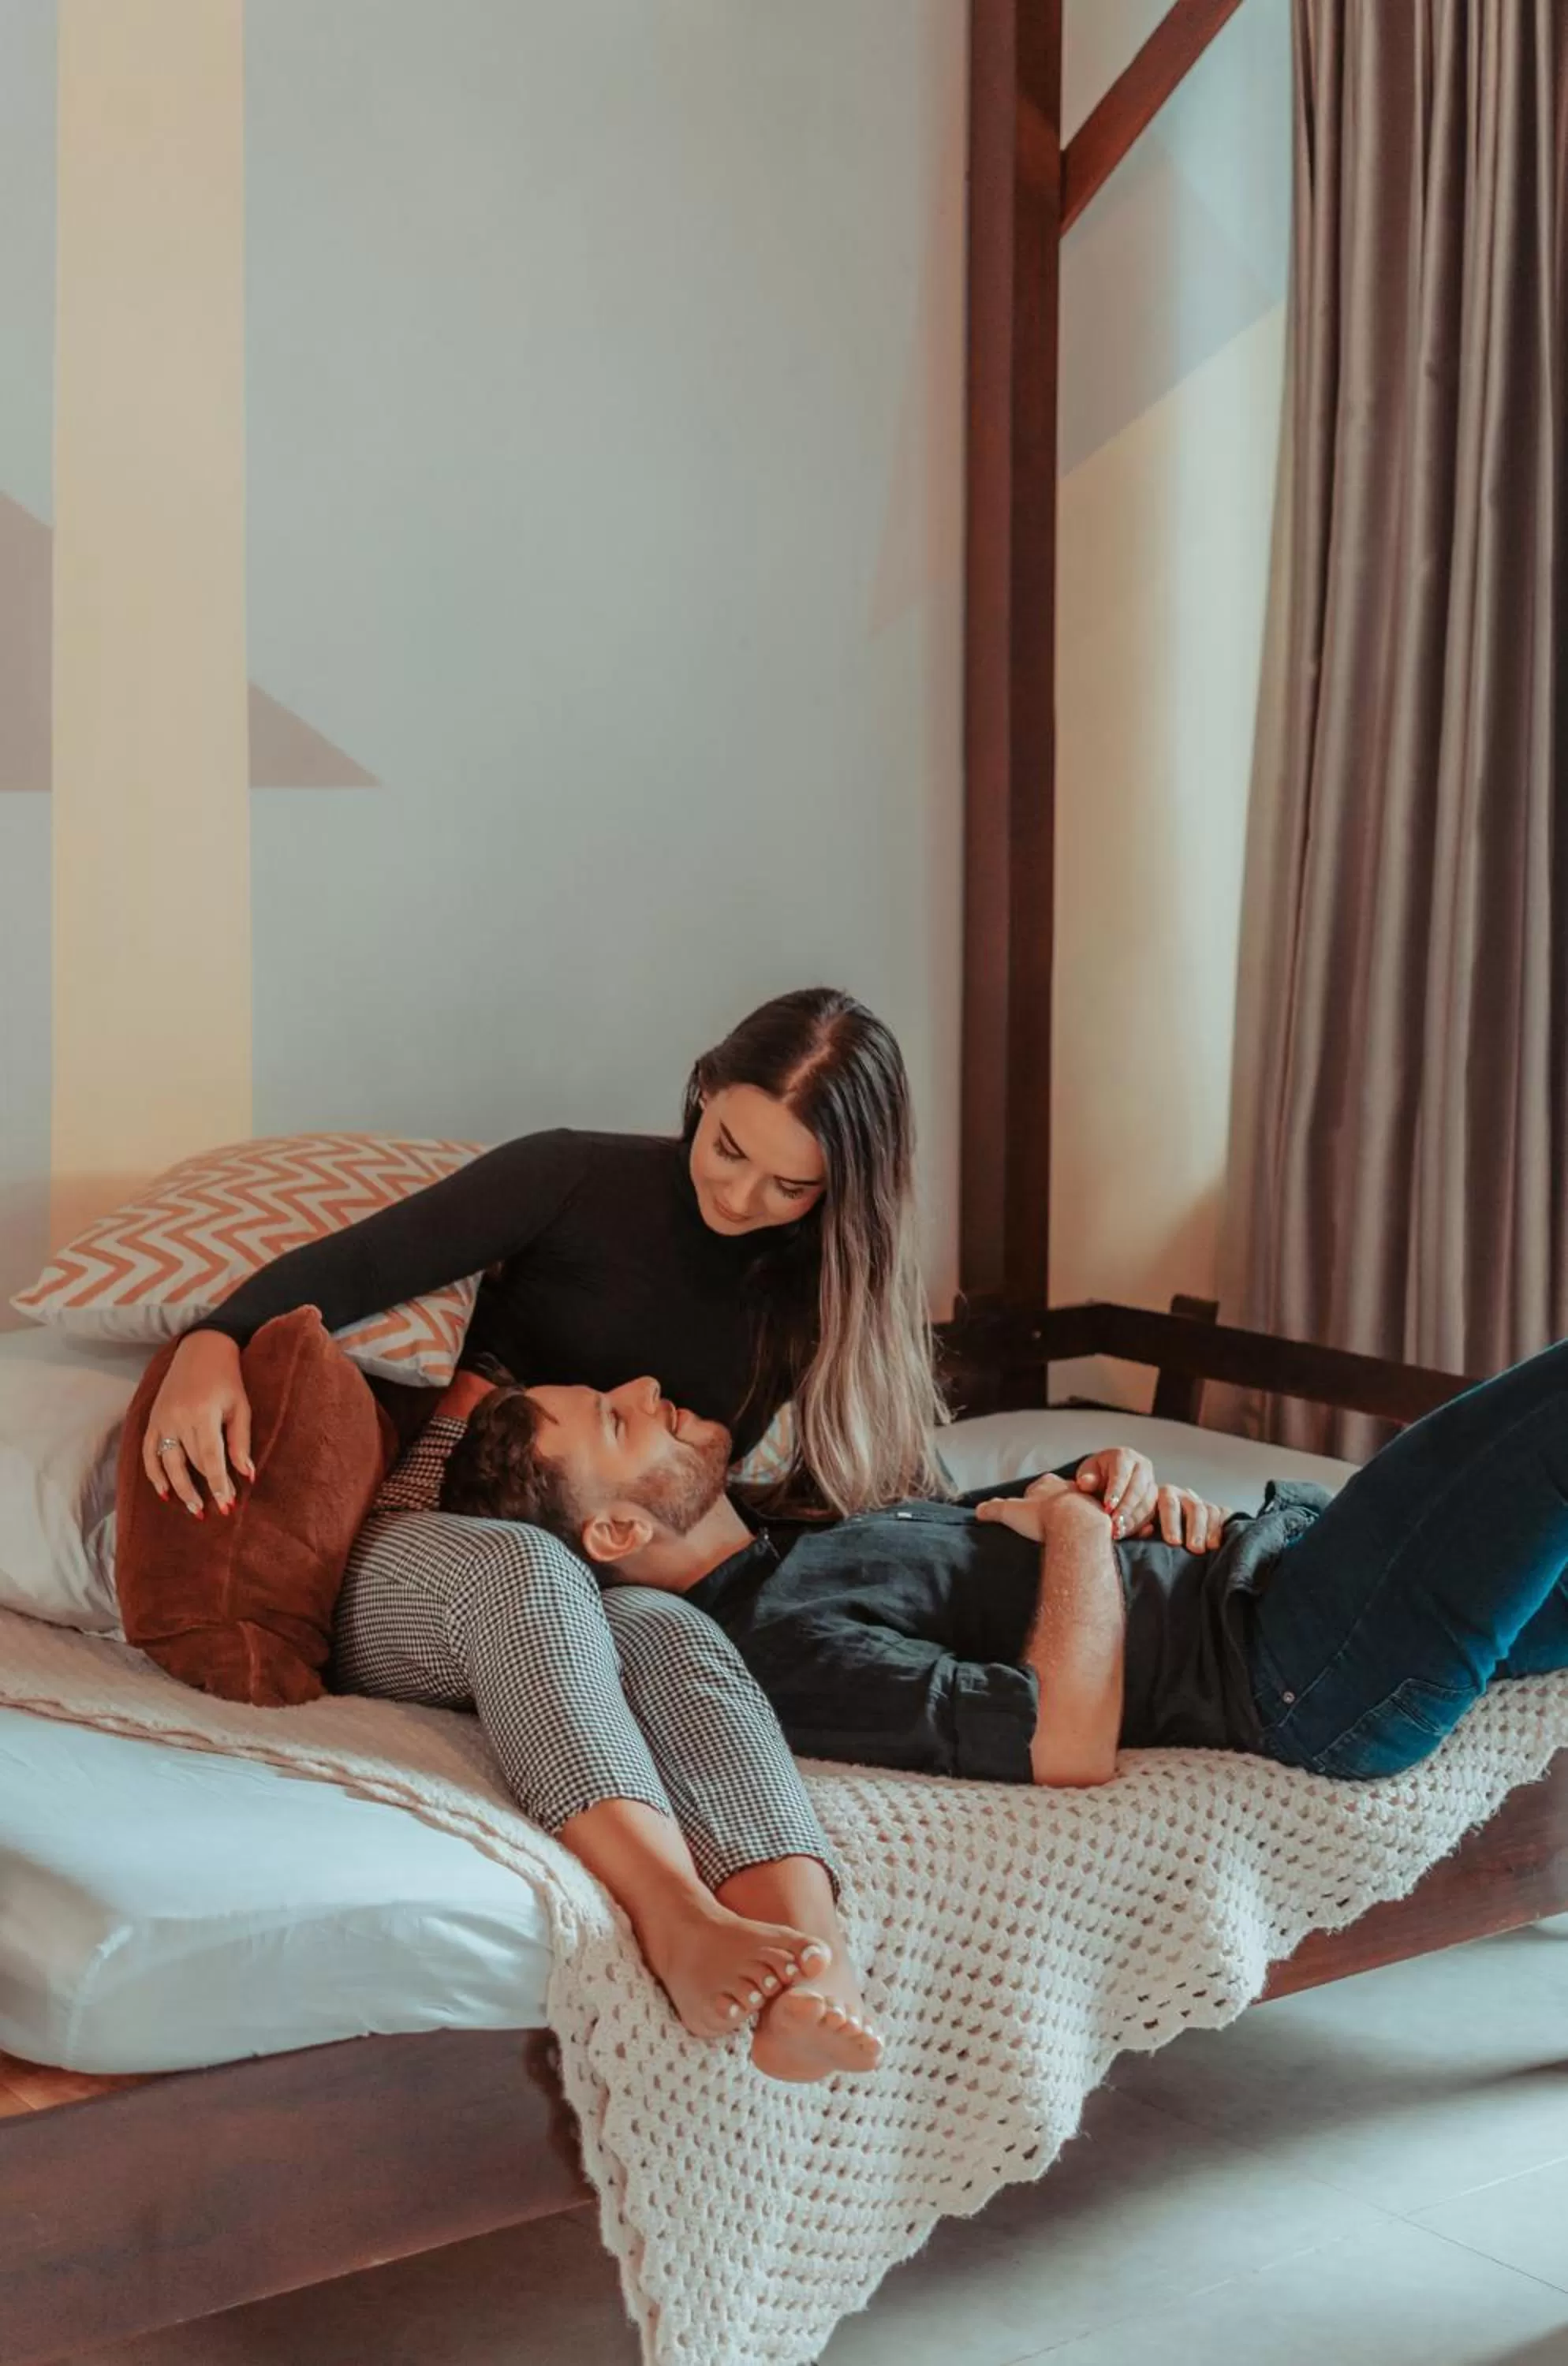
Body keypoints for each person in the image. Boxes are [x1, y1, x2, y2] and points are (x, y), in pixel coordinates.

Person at [135, 988, 1141, 2076]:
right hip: (431, 1559)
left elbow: (894, 1497)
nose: (741, 1197)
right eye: (728, 1149)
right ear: (704, 1091)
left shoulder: (819, 1286)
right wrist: (211, 1342)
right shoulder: (573, 1178)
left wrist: (1081, 1498)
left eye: (790, 1186)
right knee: (529, 1566)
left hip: (610, 1594)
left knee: (679, 1628)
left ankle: (820, 1966)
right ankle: (676, 1918)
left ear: (843, 1190)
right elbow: (347, 1272)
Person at [431, 1344, 1568, 1790]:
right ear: (615, 1537)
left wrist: (1114, 1484)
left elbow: (1029, 1524)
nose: (644, 1386)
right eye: (615, 1421)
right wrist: (1077, 1535)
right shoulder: (772, 1650)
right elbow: (1061, 1742)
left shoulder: (806, 1546)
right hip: (1303, 1662)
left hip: (1288, 1568)